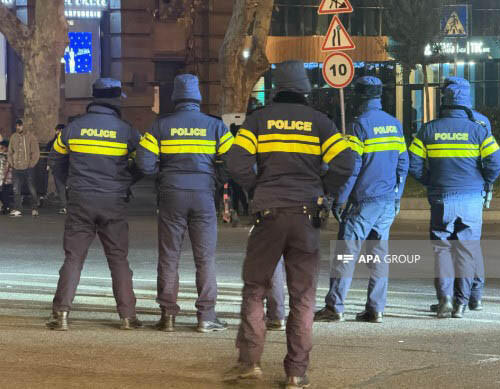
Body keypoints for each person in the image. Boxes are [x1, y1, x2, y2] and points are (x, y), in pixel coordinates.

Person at [224, 60, 354, 388]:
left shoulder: (258, 121)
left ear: (276, 87)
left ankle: (249, 363)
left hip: (268, 214)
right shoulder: (321, 123)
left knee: (255, 288)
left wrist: (257, 187)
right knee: (303, 296)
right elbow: (346, 162)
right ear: (305, 88)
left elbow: (235, 162)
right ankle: (296, 372)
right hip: (307, 215)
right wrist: (323, 187)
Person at [136, 74, 232, 333]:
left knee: (169, 256)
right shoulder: (215, 126)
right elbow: (234, 162)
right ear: (198, 97)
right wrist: (214, 178)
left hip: (171, 195)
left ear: (175, 97)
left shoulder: (160, 126)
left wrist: (164, 176)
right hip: (203, 195)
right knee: (205, 258)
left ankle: (168, 316)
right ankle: (206, 317)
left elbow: (144, 163)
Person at [46, 78, 143, 331]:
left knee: (74, 258)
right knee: (119, 259)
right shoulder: (127, 131)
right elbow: (144, 163)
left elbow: (55, 158)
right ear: (114, 101)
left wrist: (70, 183)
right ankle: (127, 317)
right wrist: (126, 181)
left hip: (81, 200)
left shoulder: (73, 128)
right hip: (113, 202)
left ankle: (62, 315)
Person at [314, 76, 409, 324]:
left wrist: (340, 199)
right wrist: (397, 196)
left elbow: (353, 166)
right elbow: (403, 163)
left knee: (345, 255)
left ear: (360, 96)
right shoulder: (394, 124)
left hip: (363, 201)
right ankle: (375, 308)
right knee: (377, 256)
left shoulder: (360, 125)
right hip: (387, 201)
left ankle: (335, 307)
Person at [408, 77, 500, 319]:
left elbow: (414, 163)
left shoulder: (429, 129)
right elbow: (496, 162)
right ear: (466, 99)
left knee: (442, 250)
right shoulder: (478, 129)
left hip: (441, 198)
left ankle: (445, 300)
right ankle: (462, 304)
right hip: (471, 198)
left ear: (445, 100)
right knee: (467, 251)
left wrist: (429, 181)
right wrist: (484, 180)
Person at [7, 118, 40, 217]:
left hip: (28, 167)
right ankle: (18, 209)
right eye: (17, 125)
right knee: (16, 189)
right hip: (16, 167)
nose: (18, 127)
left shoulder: (31, 137)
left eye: (20, 125)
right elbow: (10, 152)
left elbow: (36, 152)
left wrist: (31, 164)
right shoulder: (13, 137)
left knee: (32, 188)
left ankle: (34, 208)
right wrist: (11, 163)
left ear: (23, 125)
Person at [47, 124, 68, 214]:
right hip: (66, 167)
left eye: (57, 130)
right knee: (65, 187)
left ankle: (64, 206)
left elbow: (52, 152)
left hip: (58, 167)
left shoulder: (58, 141)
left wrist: (49, 164)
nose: (56, 132)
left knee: (60, 187)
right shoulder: (68, 138)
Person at [0, 140, 13, 214]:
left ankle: (7, 207)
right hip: (4, 178)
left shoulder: (7, 155)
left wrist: (4, 179)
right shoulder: (3, 155)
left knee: (4, 193)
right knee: (4, 193)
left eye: (2, 147)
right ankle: (5, 207)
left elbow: (7, 168)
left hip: (5, 178)